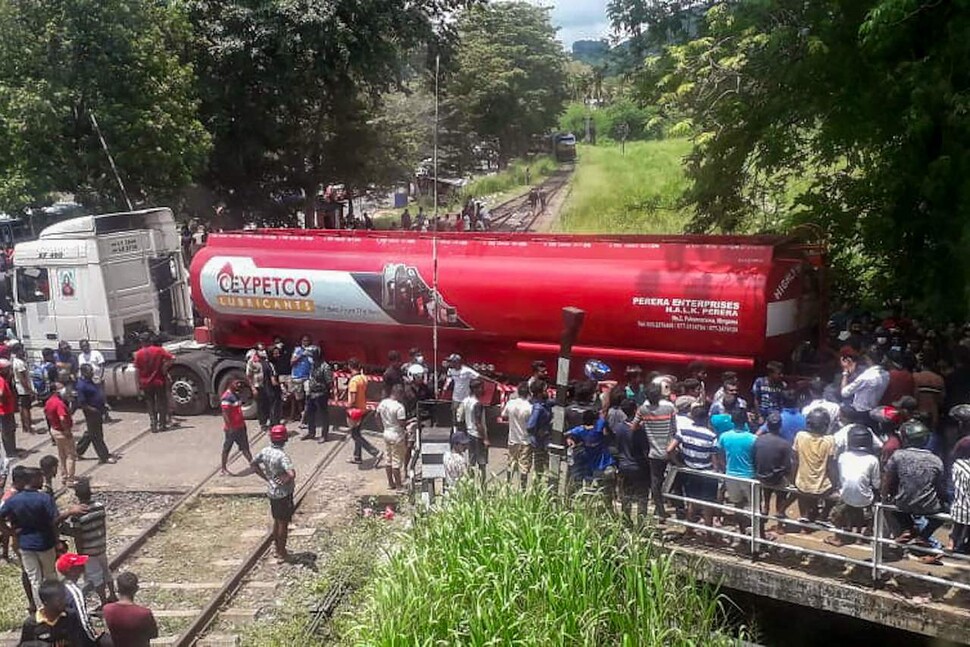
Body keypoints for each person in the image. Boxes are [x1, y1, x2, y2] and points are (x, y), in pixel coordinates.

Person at [1, 467, 86, 610]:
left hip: (25, 545)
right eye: (40, 478)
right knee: (51, 576)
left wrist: (10, 532)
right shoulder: (44, 498)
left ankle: (42, 609)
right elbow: (54, 521)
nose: (42, 480)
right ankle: (56, 606)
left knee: (34, 579)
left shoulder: (14, 500)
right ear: (33, 479)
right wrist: (68, 512)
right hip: (44, 544)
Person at [883, 420, 947, 564]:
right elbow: (939, 486)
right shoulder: (936, 460)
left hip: (903, 503)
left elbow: (888, 479)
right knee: (946, 511)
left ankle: (908, 529)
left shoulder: (898, 455)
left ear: (905, 439)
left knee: (895, 507)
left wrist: (884, 495)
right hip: (928, 506)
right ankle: (924, 536)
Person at [60, 478, 114, 605]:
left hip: (88, 551)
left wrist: (80, 554)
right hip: (101, 545)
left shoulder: (77, 515)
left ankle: (103, 601)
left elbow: (78, 536)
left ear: (77, 495)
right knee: (106, 571)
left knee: (96, 576)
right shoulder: (100, 507)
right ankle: (112, 593)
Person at [667, 402, 719, 535]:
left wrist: (678, 464)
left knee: (692, 502)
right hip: (707, 473)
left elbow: (669, 449)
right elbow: (714, 459)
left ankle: (689, 530)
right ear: (706, 418)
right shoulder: (711, 436)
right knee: (708, 505)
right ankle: (708, 535)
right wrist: (717, 471)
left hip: (690, 471)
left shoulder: (684, 431)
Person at [826, 425, 881, 547]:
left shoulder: (843, 457)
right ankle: (861, 536)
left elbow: (841, 477)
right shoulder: (873, 459)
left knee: (841, 511)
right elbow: (876, 483)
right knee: (862, 508)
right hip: (865, 499)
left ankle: (840, 536)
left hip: (846, 495)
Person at [250, 424, 296, 563]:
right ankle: (282, 552)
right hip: (283, 494)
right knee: (283, 523)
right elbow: (292, 473)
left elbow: (253, 464)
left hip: (271, 491)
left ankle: (277, 549)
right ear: (285, 439)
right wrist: (286, 479)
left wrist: (266, 478)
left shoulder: (265, 451)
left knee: (276, 521)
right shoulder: (282, 456)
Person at [633, 382, 677, 521]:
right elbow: (675, 427)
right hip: (670, 449)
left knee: (656, 482)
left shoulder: (643, 409)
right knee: (675, 480)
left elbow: (634, 427)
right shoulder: (669, 407)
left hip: (654, 452)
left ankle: (660, 509)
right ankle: (678, 507)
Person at [715, 410, 758, 534]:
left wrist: (724, 467)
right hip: (749, 475)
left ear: (732, 421)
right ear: (746, 421)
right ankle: (756, 535)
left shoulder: (724, 436)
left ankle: (742, 531)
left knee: (737, 506)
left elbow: (719, 453)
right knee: (754, 507)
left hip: (731, 475)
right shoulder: (753, 438)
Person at [792, 409, 837, 527]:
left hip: (802, 484)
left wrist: (792, 480)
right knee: (835, 494)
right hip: (821, 488)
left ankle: (805, 515)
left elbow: (795, 460)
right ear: (826, 425)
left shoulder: (800, 436)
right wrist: (836, 484)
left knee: (803, 490)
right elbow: (831, 466)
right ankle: (823, 516)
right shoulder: (829, 440)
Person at [19, 579, 92, 646]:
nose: (64, 601)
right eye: (59, 600)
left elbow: (81, 642)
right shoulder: (31, 624)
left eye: (64, 597)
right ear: (46, 602)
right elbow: (24, 645)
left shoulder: (70, 617)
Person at [103, 572, 159, 647]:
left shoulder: (107, 609)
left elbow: (108, 631)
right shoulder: (144, 613)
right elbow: (154, 634)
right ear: (136, 589)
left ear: (117, 589)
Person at [55, 552, 101, 644]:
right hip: (77, 636)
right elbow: (83, 619)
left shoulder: (60, 586)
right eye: (79, 566)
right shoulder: (75, 592)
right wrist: (94, 639)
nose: (83, 567)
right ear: (70, 571)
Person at [133, 332, 174, 433]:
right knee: (162, 402)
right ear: (150, 340)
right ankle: (162, 424)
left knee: (150, 403)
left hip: (145, 383)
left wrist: (138, 384)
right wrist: (165, 368)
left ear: (141, 342)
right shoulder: (159, 350)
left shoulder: (138, 354)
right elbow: (172, 358)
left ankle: (153, 424)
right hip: (159, 381)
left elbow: (137, 371)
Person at [75, 365, 115, 464]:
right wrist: (94, 410)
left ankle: (77, 451)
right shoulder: (81, 386)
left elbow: (98, 393)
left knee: (91, 433)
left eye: (92, 371)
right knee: (97, 436)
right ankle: (104, 456)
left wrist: (104, 404)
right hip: (91, 413)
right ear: (83, 372)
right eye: (89, 371)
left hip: (99, 411)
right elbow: (82, 403)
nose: (92, 373)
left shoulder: (92, 381)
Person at [345, 358, 381, 465]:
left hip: (355, 411)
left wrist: (348, 407)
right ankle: (357, 457)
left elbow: (352, 398)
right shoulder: (363, 378)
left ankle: (375, 452)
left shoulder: (353, 381)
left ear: (350, 367)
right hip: (363, 408)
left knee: (355, 435)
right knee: (357, 433)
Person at [840, 347, 890, 417]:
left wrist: (845, 372)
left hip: (859, 412)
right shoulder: (886, 374)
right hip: (873, 409)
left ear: (868, 360)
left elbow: (844, 393)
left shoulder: (866, 377)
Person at [44, 383, 77, 486]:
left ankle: (64, 476)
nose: (64, 390)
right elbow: (62, 418)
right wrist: (67, 430)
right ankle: (70, 479)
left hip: (54, 430)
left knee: (62, 455)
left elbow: (46, 413)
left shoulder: (49, 402)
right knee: (71, 456)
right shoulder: (59, 403)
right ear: (55, 391)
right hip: (62, 431)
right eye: (61, 388)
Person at [502, 382, 533, 489]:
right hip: (525, 441)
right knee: (524, 468)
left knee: (510, 464)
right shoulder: (530, 407)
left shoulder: (511, 403)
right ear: (528, 393)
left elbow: (503, 415)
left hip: (512, 439)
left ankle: (507, 486)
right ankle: (522, 489)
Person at [376, 384, 408, 490]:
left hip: (386, 432)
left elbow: (377, 416)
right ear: (398, 394)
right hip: (396, 434)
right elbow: (402, 423)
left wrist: (382, 428)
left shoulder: (383, 403)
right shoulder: (399, 407)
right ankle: (399, 485)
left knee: (388, 459)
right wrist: (410, 422)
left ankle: (390, 483)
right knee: (396, 461)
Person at [220, 380, 254, 476]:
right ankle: (223, 468)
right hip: (232, 428)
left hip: (241, 426)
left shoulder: (236, 394)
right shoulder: (226, 397)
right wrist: (230, 427)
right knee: (227, 448)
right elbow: (225, 414)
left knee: (245, 447)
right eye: (236, 383)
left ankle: (252, 464)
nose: (238, 385)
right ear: (230, 384)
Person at [461, 378, 490, 484]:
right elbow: (478, 423)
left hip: (469, 434)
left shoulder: (466, 401)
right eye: (481, 388)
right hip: (477, 435)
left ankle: (471, 484)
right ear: (475, 389)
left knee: (471, 461)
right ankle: (483, 486)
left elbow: (460, 418)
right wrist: (485, 439)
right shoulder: (477, 404)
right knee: (482, 463)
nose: (483, 390)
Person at [302, 346, 332, 442]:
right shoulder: (313, 364)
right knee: (310, 413)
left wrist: (324, 393)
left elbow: (329, 382)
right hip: (311, 392)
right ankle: (311, 432)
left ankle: (324, 435)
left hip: (321, 394)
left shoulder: (325, 367)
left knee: (323, 415)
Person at [527, 380, 552, 475]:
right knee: (539, 464)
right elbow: (530, 426)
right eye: (545, 390)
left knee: (542, 463)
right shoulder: (538, 407)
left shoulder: (542, 403)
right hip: (540, 440)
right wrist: (539, 432)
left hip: (543, 439)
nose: (547, 392)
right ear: (539, 393)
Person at [10, 343, 36, 436]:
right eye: (21, 349)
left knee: (22, 407)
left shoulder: (15, 361)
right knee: (26, 408)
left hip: (19, 387)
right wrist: (30, 390)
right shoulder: (20, 363)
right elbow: (23, 379)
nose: (23, 351)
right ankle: (28, 427)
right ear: (17, 351)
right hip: (23, 389)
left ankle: (25, 427)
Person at [288, 336, 313, 424]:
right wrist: (301, 355)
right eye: (304, 340)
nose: (306, 342)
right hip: (297, 377)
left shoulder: (311, 350)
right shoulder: (297, 350)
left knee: (308, 396)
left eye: (307, 341)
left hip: (307, 377)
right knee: (297, 398)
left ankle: (305, 416)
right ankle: (296, 415)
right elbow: (292, 362)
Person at [246, 344, 271, 431]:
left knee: (268, 403)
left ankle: (270, 421)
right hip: (258, 386)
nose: (262, 352)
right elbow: (249, 376)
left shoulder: (267, 359)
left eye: (263, 349)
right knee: (261, 406)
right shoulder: (252, 361)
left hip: (267, 385)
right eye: (260, 350)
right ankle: (263, 423)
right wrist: (252, 388)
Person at [0, 358, 17, 458]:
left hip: (7, 410)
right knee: (7, 431)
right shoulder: (1, 380)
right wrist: (3, 400)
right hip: (4, 410)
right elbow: (1, 393)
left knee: (9, 430)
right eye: (7, 369)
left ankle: (11, 449)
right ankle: (10, 452)